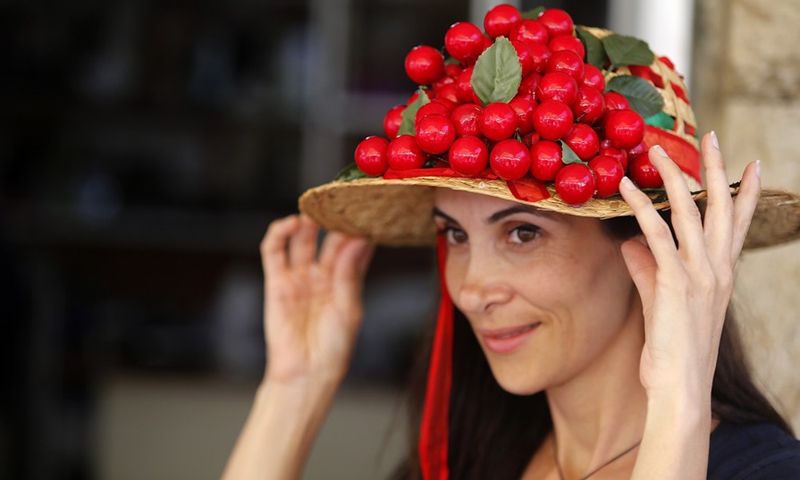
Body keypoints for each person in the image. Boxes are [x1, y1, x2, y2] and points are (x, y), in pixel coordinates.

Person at [221, 6, 800, 480]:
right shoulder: (477, 460)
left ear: (658, 250)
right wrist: (295, 387)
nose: (471, 289)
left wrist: (680, 404)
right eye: (454, 233)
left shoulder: (766, 471)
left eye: (524, 232)